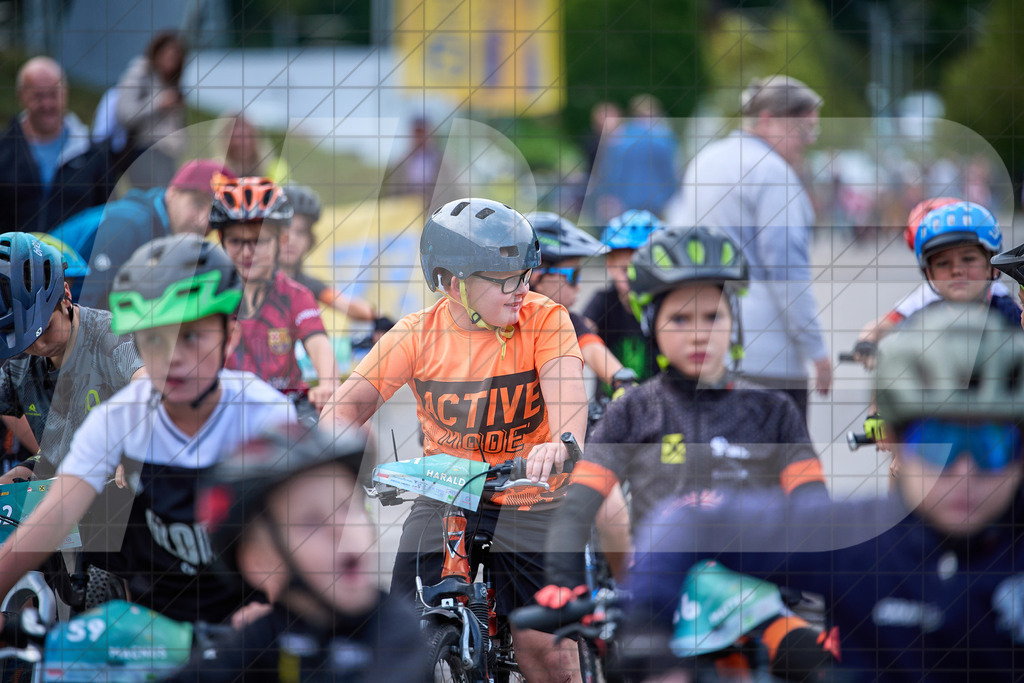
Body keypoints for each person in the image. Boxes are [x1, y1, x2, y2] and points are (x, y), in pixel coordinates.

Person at [624, 303, 1024, 681]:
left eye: (992, 445)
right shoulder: (857, 537)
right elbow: (688, 520)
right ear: (897, 443)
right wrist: (648, 627)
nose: (965, 471)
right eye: (939, 442)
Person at [320, 197, 589, 683]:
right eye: (503, 278)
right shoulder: (415, 335)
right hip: (447, 494)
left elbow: (568, 396)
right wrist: (329, 466)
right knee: (394, 640)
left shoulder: (546, 319)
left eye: (525, 275)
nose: (520, 290)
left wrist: (562, 442)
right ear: (452, 282)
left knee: (543, 653)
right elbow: (343, 409)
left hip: (531, 494)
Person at [0, 234, 296, 625]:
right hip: (159, 622)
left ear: (230, 338)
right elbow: (48, 522)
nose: (174, 356)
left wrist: (273, 611)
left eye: (193, 336)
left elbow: (304, 540)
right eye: (155, 340)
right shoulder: (110, 422)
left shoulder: (267, 416)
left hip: (245, 614)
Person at [539, 226, 828, 591]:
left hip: (754, 599)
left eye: (713, 317)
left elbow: (815, 512)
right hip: (660, 601)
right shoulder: (633, 411)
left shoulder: (774, 412)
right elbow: (577, 509)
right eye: (679, 319)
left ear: (734, 321)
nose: (698, 334)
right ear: (652, 325)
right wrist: (564, 584)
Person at [168, 425, 430, 681]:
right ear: (262, 563)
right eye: (311, 522)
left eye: (348, 507)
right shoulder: (263, 636)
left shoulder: (395, 632)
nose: (342, 529)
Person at [667, 75, 831, 421]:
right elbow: (788, 273)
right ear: (770, 119)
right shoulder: (774, 174)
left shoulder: (705, 160)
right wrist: (816, 350)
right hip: (768, 355)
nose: (809, 141)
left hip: (709, 348)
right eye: (804, 129)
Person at [0, 233, 144, 485]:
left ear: (65, 295)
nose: (39, 344)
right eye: (25, 340)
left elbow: (148, 385)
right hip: (61, 479)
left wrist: (133, 448)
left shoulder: (112, 335)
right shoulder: (19, 363)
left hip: (119, 483)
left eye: (44, 329)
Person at [214, 177, 340, 412]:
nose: (247, 252)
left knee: (359, 436)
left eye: (259, 241)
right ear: (221, 241)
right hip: (228, 411)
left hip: (287, 409)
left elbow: (318, 343)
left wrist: (328, 384)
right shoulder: (209, 297)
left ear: (280, 241)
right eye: (235, 241)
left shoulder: (295, 295)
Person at [64, 158, 236, 309]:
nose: (204, 221)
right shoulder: (130, 225)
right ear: (172, 193)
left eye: (216, 212)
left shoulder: (168, 234)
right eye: (197, 204)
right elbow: (80, 309)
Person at [525, 211, 637, 394]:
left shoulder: (564, 321)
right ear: (537, 275)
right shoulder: (502, 318)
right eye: (574, 275)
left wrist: (622, 383)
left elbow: (592, 348)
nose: (579, 286)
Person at [0, 57, 115, 234]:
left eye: (54, 94)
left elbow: (108, 218)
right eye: (38, 96)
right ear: (21, 96)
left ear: (65, 94)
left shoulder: (93, 154)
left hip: (73, 259)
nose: (47, 104)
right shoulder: (4, 150)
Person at [279, 184, 394, 330]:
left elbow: (344, 304)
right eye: (285, 230)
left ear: (310, 239)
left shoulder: (308, 285)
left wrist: (378, 318)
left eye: (301, 232)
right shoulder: (249, 280)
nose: (292, 239)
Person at [582, 209, 662, 392]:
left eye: (644, 270)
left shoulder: (665, 305)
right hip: (611, 409)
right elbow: (580, 332)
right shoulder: (604, 301)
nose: (635, 278)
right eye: (627, 270)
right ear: (610, 265)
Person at [908, 200, 1020, 328]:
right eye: (943, 263)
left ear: (993, 266)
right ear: (929, 273)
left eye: (968, 259)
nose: (956, 270)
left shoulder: (1014, 320)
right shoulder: (917, 326)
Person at [115, 31, 187, 188]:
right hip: (144, 151)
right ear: (157, 52)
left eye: (176, 57)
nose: (171, 61)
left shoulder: (171, 82)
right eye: (168, 54)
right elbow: (125, 114)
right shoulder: (140, 73)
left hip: (168, 155)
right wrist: (158, 102)